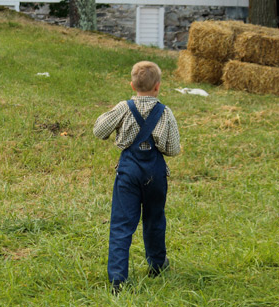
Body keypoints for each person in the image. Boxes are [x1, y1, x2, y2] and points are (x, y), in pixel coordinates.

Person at [93, 61, 180, 293]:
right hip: (156, 174)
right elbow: (173, 149)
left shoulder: (124, 107)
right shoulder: (166, 112)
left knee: (122, 225)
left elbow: (99, 131)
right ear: (158, 87)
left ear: (132, 85)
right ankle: (157, 266)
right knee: (155, 220)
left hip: (128, 173)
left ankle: (118, 279)